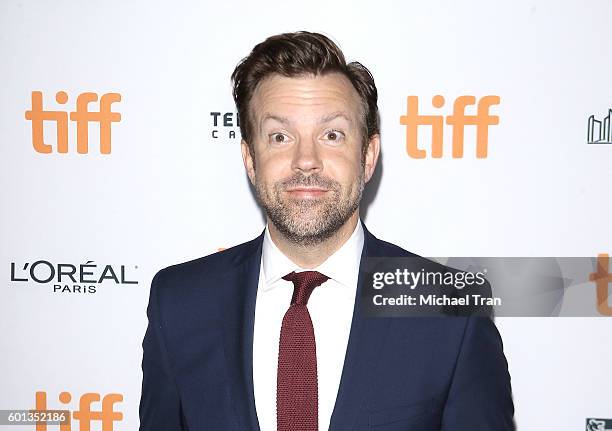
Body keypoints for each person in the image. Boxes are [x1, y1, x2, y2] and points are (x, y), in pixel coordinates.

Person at [139, 31, 514, 431]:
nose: (306, 160)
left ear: (368, 156)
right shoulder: (179, 303)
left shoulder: (451, 310)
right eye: (280, 137)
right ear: (250, 158)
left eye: (332, 135)